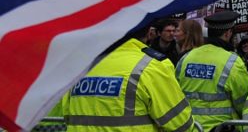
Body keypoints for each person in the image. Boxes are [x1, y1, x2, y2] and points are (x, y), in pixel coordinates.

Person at [63, 20, 200, 132]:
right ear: (148, 32)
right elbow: (181, 124)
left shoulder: (82, 68)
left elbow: (67, 114)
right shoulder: (151, 67)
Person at [175, 10, 248, 131]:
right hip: (221, 128)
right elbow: (243, 103)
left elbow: (175, 93)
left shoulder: (186, 58)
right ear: (228, 33)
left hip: (189, 127)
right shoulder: (232, 62)